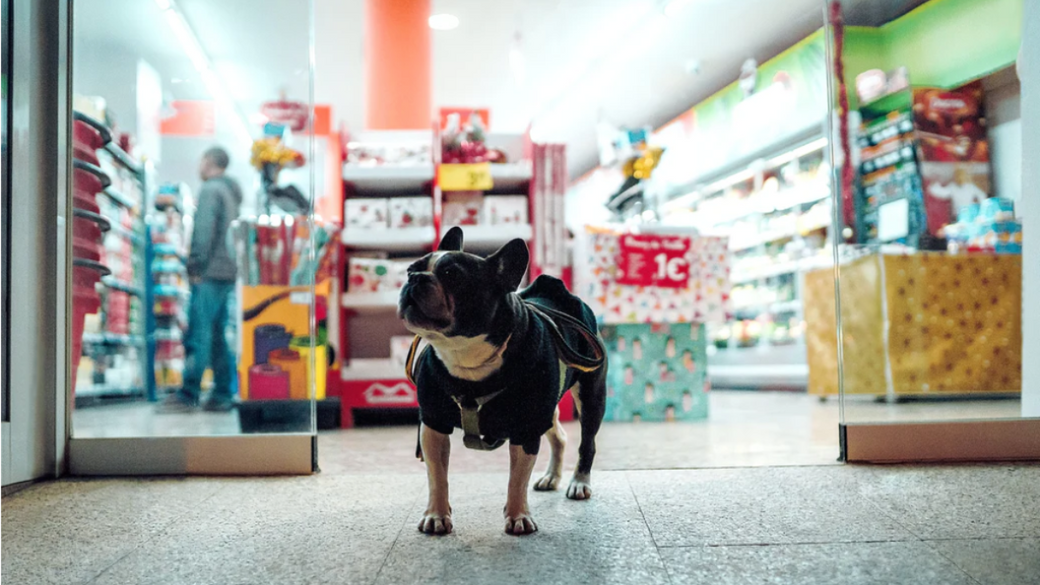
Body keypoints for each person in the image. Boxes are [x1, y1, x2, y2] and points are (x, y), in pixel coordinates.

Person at [159, 146, 242, 413]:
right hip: (226, 271)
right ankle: (222, 394)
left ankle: (189, 393)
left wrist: (195, 264)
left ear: (208, 162)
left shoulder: (210, 190)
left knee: (200, 333)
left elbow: (204, 231)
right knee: (218, 334)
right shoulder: (230, 192)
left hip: (209, 272)